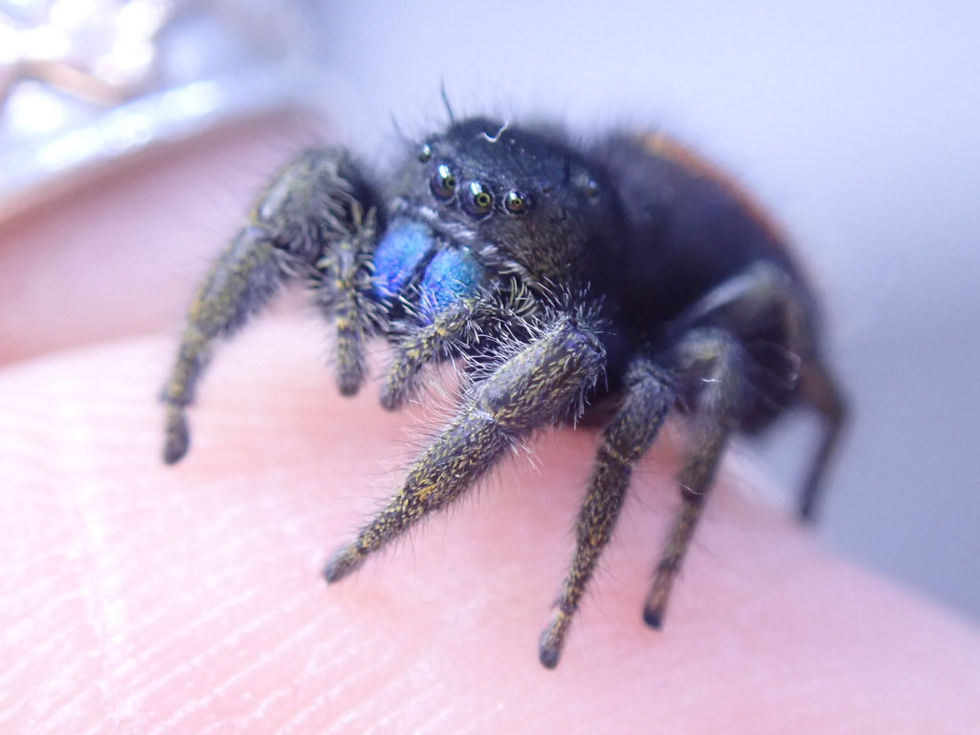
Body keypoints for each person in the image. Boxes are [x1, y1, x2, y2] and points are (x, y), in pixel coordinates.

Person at [2, 121, 978, 733]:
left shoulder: (583, 318)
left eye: (467, 259)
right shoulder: (397, 212)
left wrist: (640, 560)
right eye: (419, 229)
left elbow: (748, 318)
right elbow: (309, 201)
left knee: (678, 364)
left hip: (668, 301)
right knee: (308, 174)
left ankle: (443, 543)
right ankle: (186, 373)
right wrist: (184, 380)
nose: (418, 272)